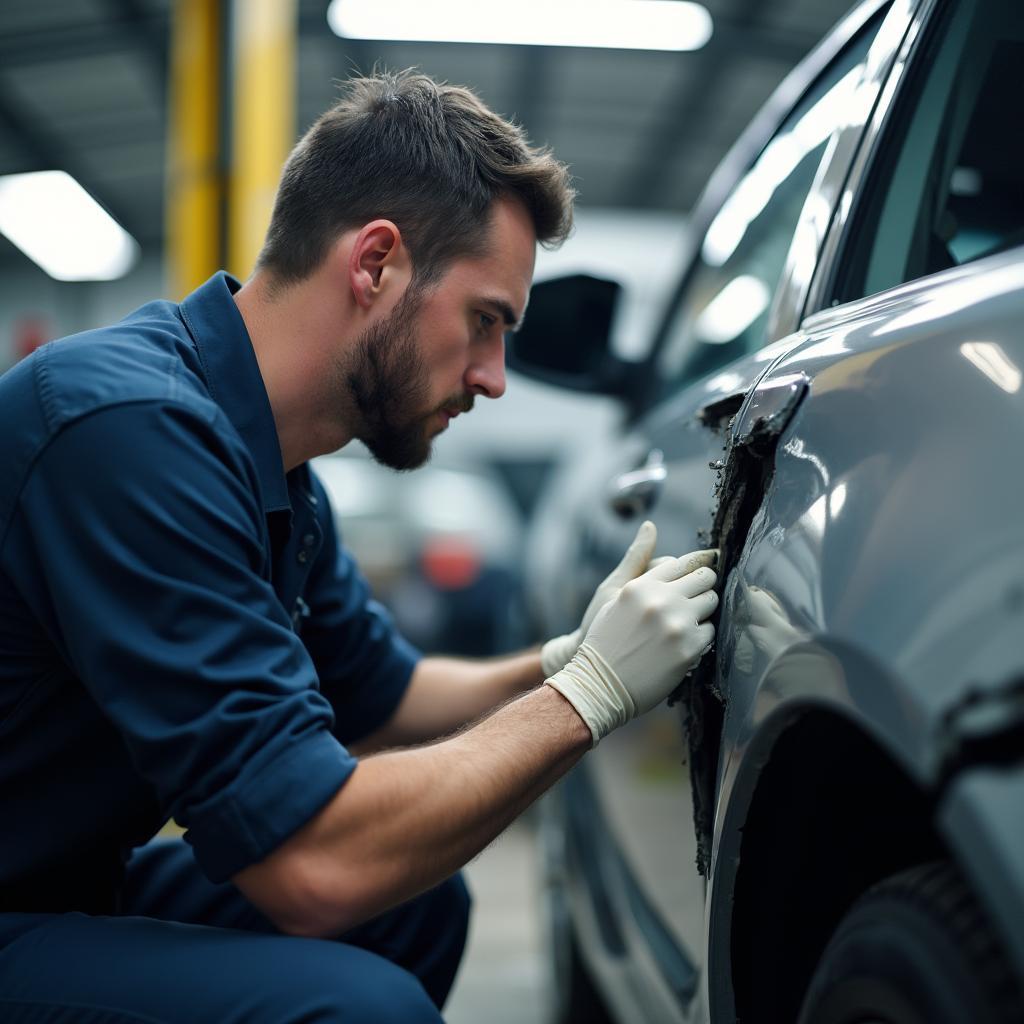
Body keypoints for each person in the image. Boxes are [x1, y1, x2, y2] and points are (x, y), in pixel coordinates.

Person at [0, 70, 718, 1022]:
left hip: (65, 885)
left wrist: (563, 658)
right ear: (375, 263)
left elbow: (384, 704)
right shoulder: (125, 431)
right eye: (485, 321)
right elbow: (313, 868)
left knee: (413, 907)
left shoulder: (275, 467)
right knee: (360, 1006)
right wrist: (588, 697)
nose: (495, 378)